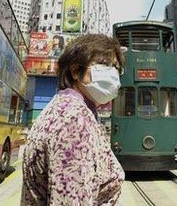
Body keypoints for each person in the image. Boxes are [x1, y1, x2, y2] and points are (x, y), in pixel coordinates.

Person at [22, 34, 125, 205]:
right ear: (76, 71)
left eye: (116, 67)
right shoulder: (73, 121)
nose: (113, 73)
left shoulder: (65, 108)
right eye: (104, 64)